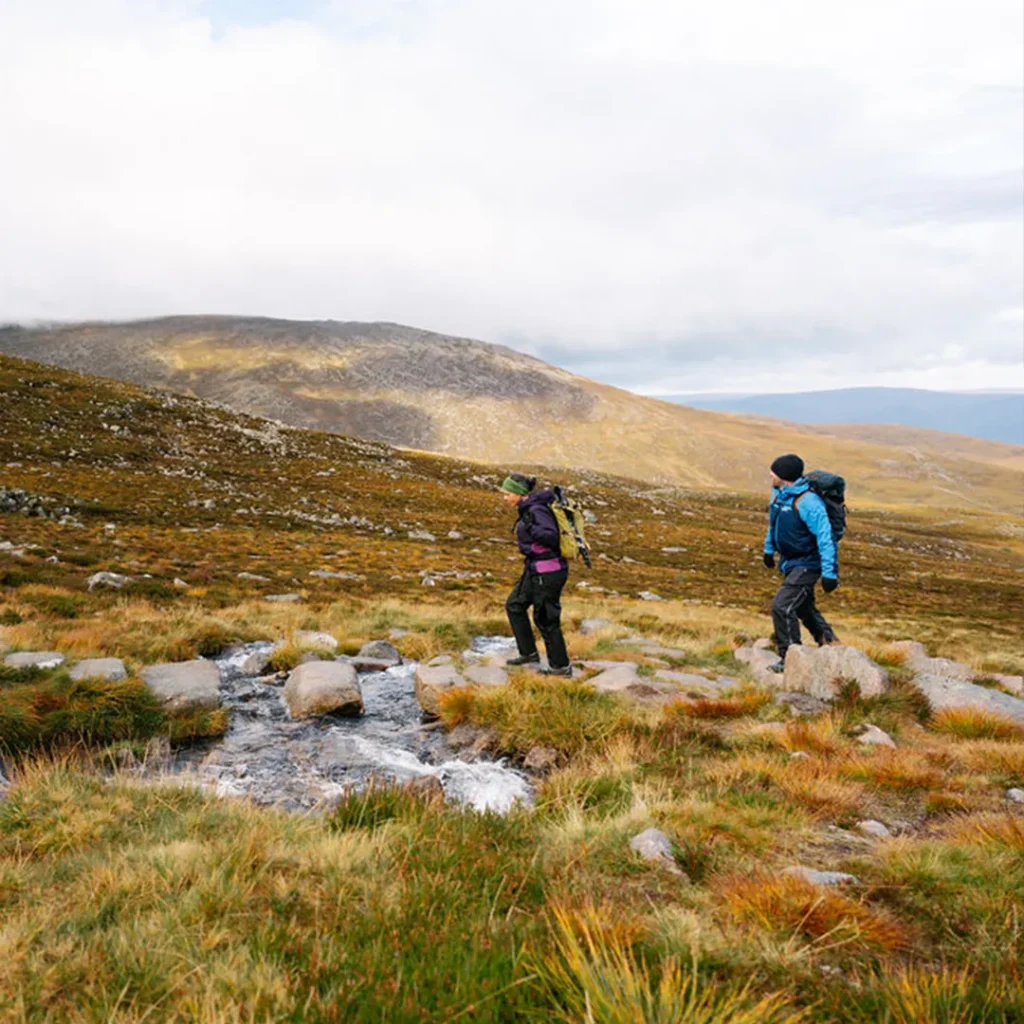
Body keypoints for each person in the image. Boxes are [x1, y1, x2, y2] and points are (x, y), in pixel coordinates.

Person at [763, 454, 839, 671]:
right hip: (791, 562)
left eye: (774, 471)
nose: (770, 474)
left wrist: (829, 573)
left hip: (808, 563)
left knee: (783, 606)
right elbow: (773, 524)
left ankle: (790, 659)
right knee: (804, 608)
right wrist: (769, 550)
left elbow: (826, 537)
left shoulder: (808, 502)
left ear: (784, 476)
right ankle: (831, 645)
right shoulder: (778, 495)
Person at [500, 473, 573, 677]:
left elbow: (550, 537)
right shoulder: (529, 508)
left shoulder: (536, 510)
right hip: (534, 568)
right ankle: (528, 653)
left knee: (546, 619)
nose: (505, 498)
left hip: (548, 571)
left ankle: (560, 667)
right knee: (515, 605)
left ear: (518, 493)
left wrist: (531, 525)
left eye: (507, 494)